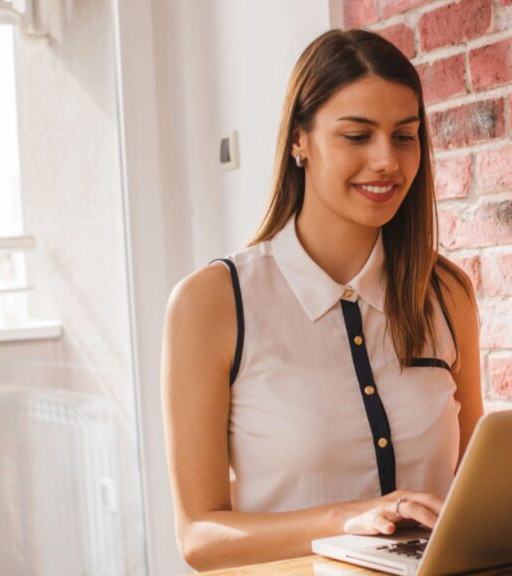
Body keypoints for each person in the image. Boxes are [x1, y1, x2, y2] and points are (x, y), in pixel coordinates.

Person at [160, 29, 482, 571]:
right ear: (299, 142)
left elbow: (476, 484)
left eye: (405, 136)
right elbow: (199, 538)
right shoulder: (211, 303)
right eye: (357, 136)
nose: (387, 161)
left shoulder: (446, 293)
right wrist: (347, 520)